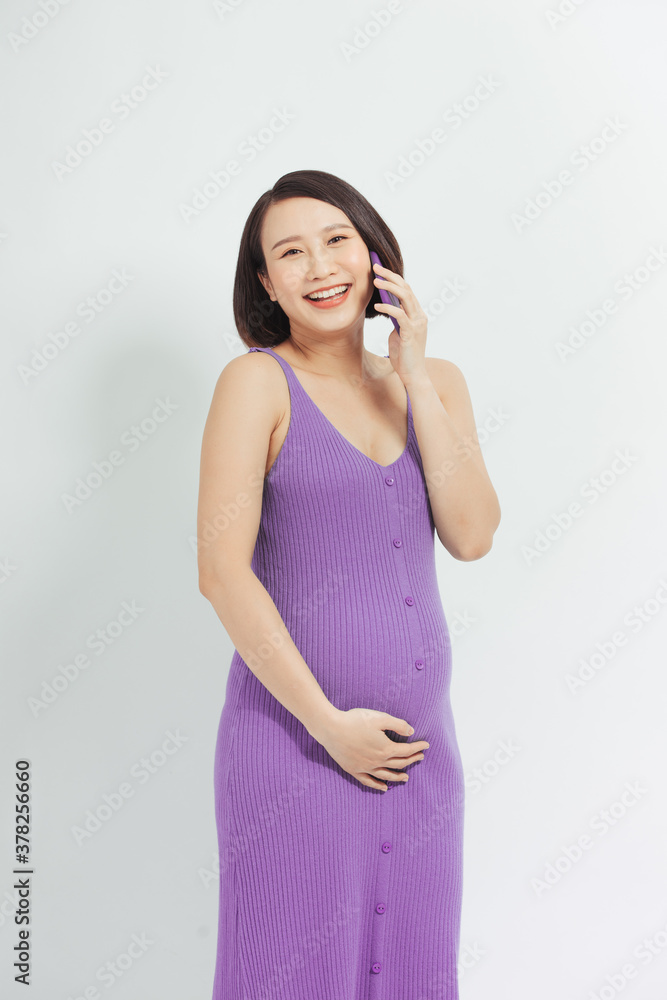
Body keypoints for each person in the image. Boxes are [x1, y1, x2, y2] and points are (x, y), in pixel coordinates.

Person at [197, 168, 501, 999]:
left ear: (373, 255)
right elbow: (221, 575)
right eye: (288, 253)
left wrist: (413, 374)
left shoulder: (437, 385)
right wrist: (329, 726)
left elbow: (471, 536)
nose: (319, 266)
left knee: (411, 972)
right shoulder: (255, 383)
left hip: (417, 757)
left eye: (336, 241)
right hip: (292, 745)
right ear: (265, 282)